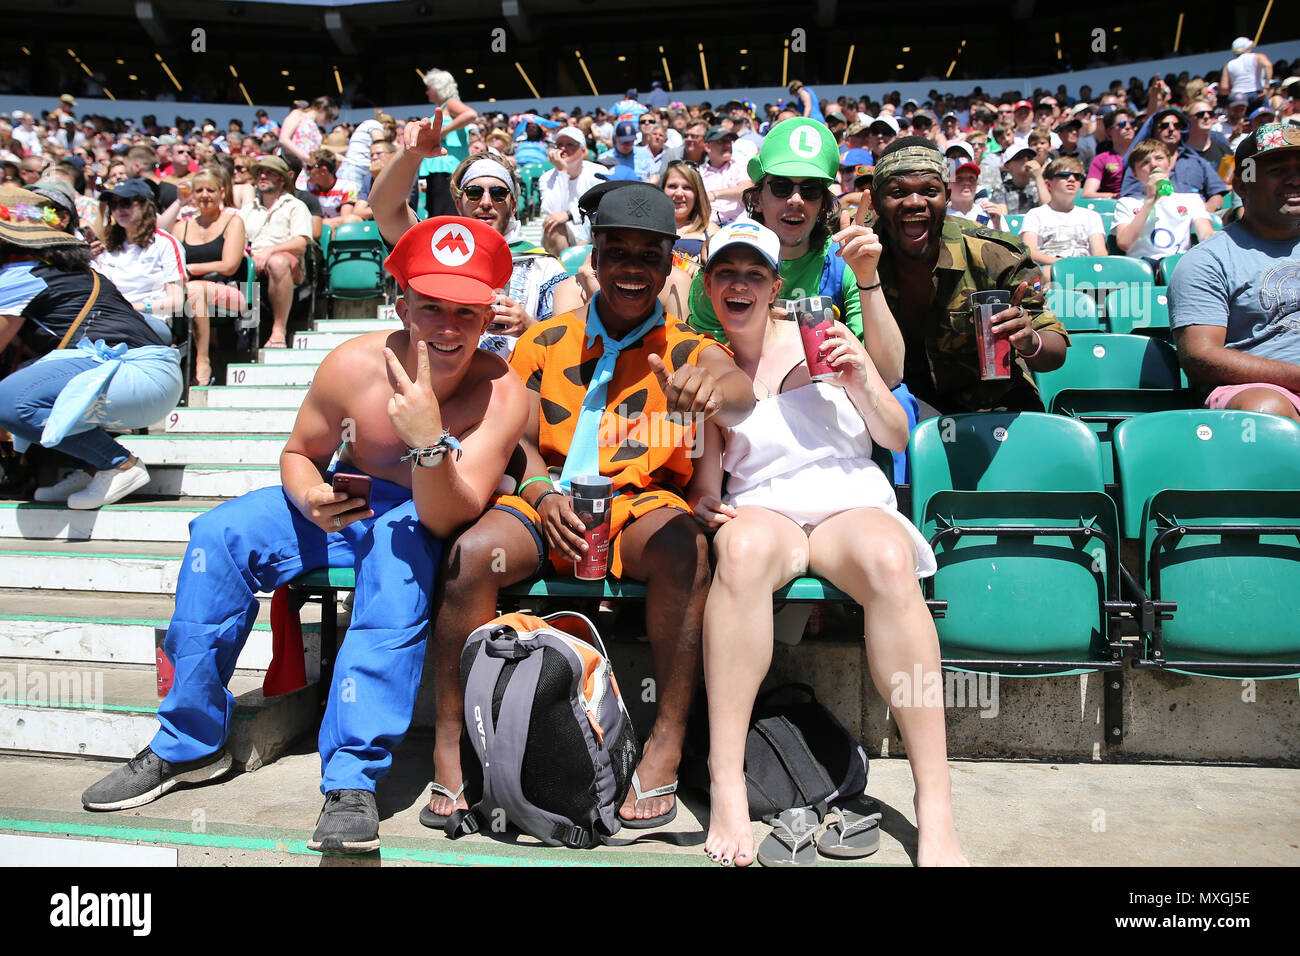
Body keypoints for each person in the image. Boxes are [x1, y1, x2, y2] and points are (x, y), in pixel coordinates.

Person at [80, 216, 529, 856]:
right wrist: (311, 497)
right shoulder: (352, 365)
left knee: (395, 583)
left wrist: (429, 442)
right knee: (219, 535)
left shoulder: (501, 392)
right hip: (339, 504)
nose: (447, 326)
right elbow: (299, 453)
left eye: (465, 311)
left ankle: (351, 782)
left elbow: (448, 518)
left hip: (417, 514)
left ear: (489, 317)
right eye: (430, 307)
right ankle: (188, 742)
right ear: (401, 304)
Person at [421, 182, 757, 831]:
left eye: (649, 254)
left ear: (669, 266)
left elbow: (740, 393)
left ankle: (665, 742)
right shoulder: (546, 338)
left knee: (685, 549)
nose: (632, 266)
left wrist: (711, 390)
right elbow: (515, 438)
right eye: (617, 250)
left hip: (635, 505)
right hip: (545, 498)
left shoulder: (685, 347)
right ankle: (449, 745)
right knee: (467, 557)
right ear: (593, 258)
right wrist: (542, 493)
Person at [687, 219, 965, 868]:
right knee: (742, 551)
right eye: (725, 272)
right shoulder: (705, 360)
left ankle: (936, 801)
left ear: (775, 285)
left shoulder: (830, 335)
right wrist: (705, 505)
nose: (739, 284)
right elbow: (707, 480)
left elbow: (896, 437)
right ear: (707, 284)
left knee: (891, 560)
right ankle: (727, 779)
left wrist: (862, 382)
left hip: (849, 500)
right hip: (765, 507)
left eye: (753, 273)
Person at [0, 186, 181, 510]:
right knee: (28, 378)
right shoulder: (75, 270)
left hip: (132, 373)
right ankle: (92, 466)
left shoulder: (21, 274)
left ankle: (118, 463)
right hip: (151, 374)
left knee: (7, 399)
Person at [688, 118, 904, 389]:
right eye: (781, 187)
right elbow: (702, 357)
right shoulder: (723, 264)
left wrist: (867, 277)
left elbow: (890, 375)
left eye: (810, 190)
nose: (795, 199)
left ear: (823, 204)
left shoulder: (842, 262)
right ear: (757, 198)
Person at [866, 137, 1068, 416]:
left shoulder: (995, 255)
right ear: (875, 202)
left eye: (929, 190)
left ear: (946, 196)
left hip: (994, 397)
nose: (914, 202)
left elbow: (1054, 352)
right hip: (904, 398)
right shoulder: (860, 252)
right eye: (898, 192)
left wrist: (1028, 339)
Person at [368, 120, 582, 358]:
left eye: (499, 193)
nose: (486, 202)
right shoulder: (438, 250)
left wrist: (528, 327)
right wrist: (410, 155)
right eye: (474, 192)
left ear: (513, 206)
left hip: (516, 387)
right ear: (459, 204)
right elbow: (384, 208)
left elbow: (568, 347)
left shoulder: (543, 265)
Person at [1170, 123, 1300, 421]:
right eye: (1278, 170)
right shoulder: (1208, 261)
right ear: (1242, 186)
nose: (1295, 179)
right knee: (1266, 410)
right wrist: (1296, 377)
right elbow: (1200, 357)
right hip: (1262, 391)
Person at [92, 179, 185, 346]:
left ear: (144, 205)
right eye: (113, 205)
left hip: (151, 319)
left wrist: (136, 307)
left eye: (125, 203)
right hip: (111, 318)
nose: (119, 210)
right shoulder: (106, 246)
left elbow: (176, 302)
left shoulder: (165, 243)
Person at [178, 168, 248, 386]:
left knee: (195, 290)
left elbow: (229, 265)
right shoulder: (182, 226)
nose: (205, 195)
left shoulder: (233, 221)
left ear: (221, 192)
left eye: (210, 189)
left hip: (231, 289)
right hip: (189, 290)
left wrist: (193, 268)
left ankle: (202, 359)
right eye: (199, 190)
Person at [241, 155, 312, 349]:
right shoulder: (247, 210)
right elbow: (237, 237)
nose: (263, 176)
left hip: (285, 261)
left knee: (277, 262)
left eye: (270, 173)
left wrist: (269, 251)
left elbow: (300, 243)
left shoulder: (296, 206)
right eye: (260, 173)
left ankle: (279, 330)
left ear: (282, 179)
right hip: (250, 260)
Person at [1113, 139, 1215, 271]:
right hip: (1143, 268)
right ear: (1135, 173)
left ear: (1170, 163)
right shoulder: (1126, 203)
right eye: (1145, 162)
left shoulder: (1191, 200)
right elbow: (1124, 243)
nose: (1154, 164)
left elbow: (1205, 234)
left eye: (1159, 158)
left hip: (1178, 267)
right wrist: (1150, 200)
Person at [1019, 157, 1107, 282]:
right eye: (1064, 175)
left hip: (1085, 270)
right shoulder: (1035, 215)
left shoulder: (1092, 216)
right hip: (1050, 271)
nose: (1071, 179)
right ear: (1048, 184)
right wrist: (1062, 264)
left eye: (1077, 176)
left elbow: (1100, 253)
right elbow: (1030, 252)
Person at [417, 69, 478, 219]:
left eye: (429, 87)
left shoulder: (451, 104)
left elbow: (471, 114)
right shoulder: (444, 107)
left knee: (445, 216)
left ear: (438, 87)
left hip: (448, 170)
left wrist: (443, 131)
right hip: (440, 170)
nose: (427, 92)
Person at [539, 126, 606, 254]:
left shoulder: (598, 172)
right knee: (553, 224)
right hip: (564, 234)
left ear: (583, 151)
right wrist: (562, 172)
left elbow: (601, 207)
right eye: (559, 145)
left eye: (570, 144)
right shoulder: (546, 177)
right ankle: (563, 272)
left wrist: (570, 214)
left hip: (592, 230)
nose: (563, 149)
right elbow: (552, 212)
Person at [280, 97, 337, 191]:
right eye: (329, 117)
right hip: (294, 166)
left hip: (308, 172)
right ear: (321, 109)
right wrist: (305, 157)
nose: (329, 122)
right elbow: (283, 139)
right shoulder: (298, 114)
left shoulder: (315, 127)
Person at [1083, 108, 1137, 199]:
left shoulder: (1144, 155)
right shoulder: (1101, 159)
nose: (1128, 127)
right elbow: (1087, 194)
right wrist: (1114, 196)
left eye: (1132, 124)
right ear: (1109, 131)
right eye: (1122, 124)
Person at [1221, 38, 1273, 113]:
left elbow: (1224, 88)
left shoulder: (1228, 65)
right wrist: (1266, 86)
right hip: (1257, 94)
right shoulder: (1257, 57)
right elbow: (1268, 65)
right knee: (1263, 120)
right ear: (1248, 47)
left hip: (1238, 97)